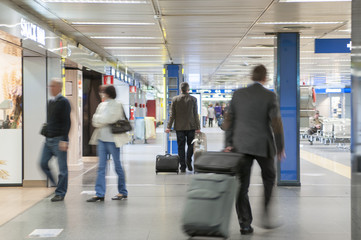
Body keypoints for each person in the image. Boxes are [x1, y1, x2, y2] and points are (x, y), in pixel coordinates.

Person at [224, 65, 285, 235]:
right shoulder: (270, 96)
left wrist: (228, 143)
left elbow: (229, 120)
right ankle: (265, 214)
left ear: (251, 77)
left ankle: (245, 224)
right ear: (265, 78)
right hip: (263, 145)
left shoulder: (237, 94)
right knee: (269, 178)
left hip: (240, 145)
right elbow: (276, 123)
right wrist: (280, 147)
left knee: (242, 186)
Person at [87, 85, 129, 202]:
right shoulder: (101, 105)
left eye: (102, 92)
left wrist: (100, 119)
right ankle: (99, 193)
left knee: (117, 166)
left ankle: (122, 191)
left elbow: (110, 119)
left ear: (108, 93)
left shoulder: (117, 104)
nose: (101, 94)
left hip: (112, 140)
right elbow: (94, 121)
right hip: (101, 139)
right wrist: (101, 119)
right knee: (101, 167)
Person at [40, 78, 71, 202]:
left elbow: (67, 122)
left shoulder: (64, 102)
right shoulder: (50, 102)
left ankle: (60, 192)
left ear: (59, 87)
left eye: (53, 86)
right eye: (50, 86)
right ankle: (55, 184)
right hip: (49, 139)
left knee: (62, 168)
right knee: (42, 163)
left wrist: (64, 140)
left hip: (59, 139)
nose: (50, 88)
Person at [165, 82, 201, 173]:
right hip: (191, 126)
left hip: (179, 127)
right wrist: (198, 127)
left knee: (181, 146)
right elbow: (195, 114)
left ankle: (183, 166)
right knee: (191, 145)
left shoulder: (175, 99)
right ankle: (189, 160)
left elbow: (172, 115)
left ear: (181, 90)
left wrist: (168, 126)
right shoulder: (193, 99)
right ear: (188, 90)